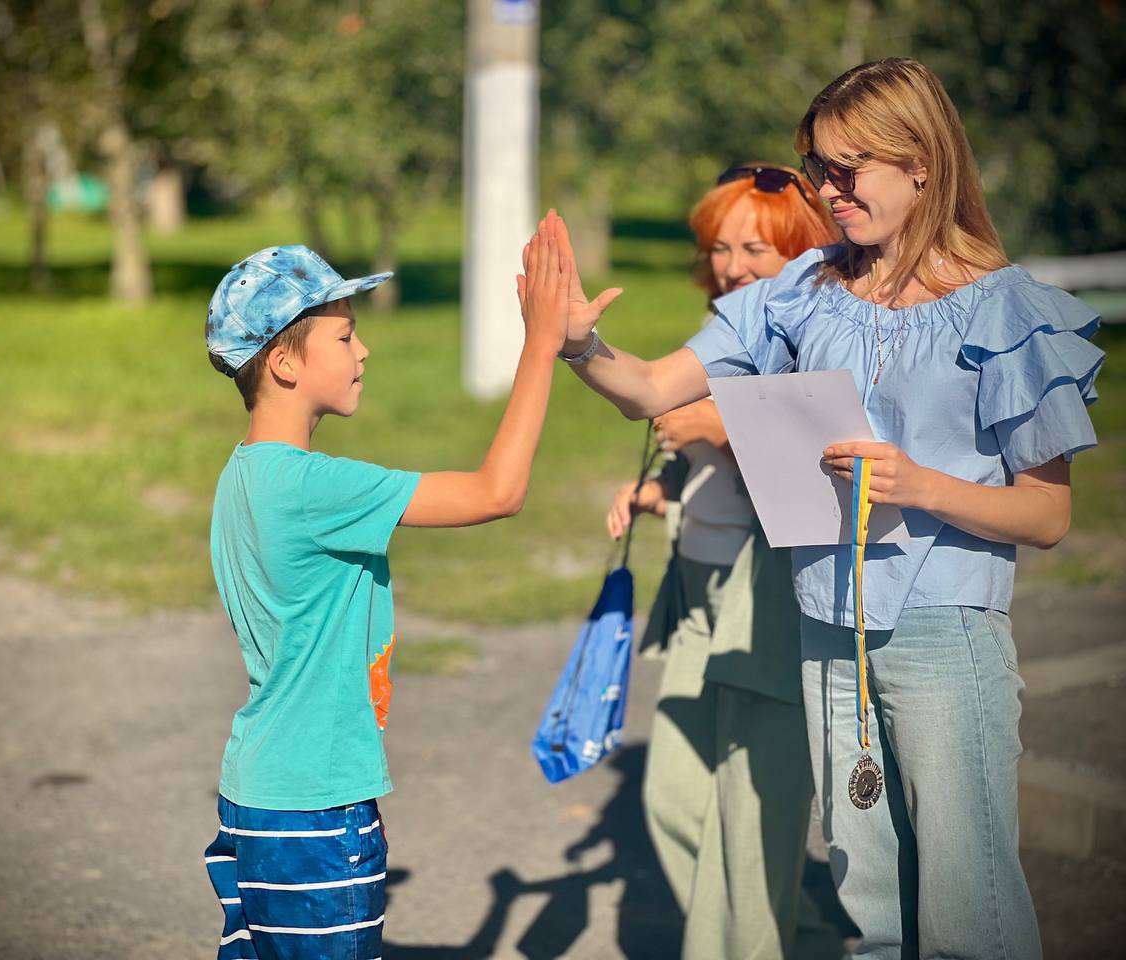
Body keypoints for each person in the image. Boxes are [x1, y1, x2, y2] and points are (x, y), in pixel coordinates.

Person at [555, 58, 1103, 958]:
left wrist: (921, 485)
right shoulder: (799, 290)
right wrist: (580, 344)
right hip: (824, 626)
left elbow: (1047, 517)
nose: (828, 190)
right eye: (818, 167)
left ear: (921, 162)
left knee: (969, 910)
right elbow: (650, 388)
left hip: (944, 634)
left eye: (848, 169)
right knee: (869, 903)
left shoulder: (1006, 313)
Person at [200, 213, 570, 959]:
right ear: (284, 363)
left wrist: (503, 908)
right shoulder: (311, 487)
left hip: (257, 794)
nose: (363, 349)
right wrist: (541, 344)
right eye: (344, 336)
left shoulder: (243, 474)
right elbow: (497, 492)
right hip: (315, 807)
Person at [604, 164, 843, 959]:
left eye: (755, 250)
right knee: (674, 800)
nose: (732, 266)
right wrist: (663, 489)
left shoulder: (815, 330)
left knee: (750, 828)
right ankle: (810, 944)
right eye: (719, 247)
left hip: (764, 595)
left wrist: (721, 428)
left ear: (801, 252)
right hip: (696, 589)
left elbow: (825, 473)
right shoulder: (724, 334)